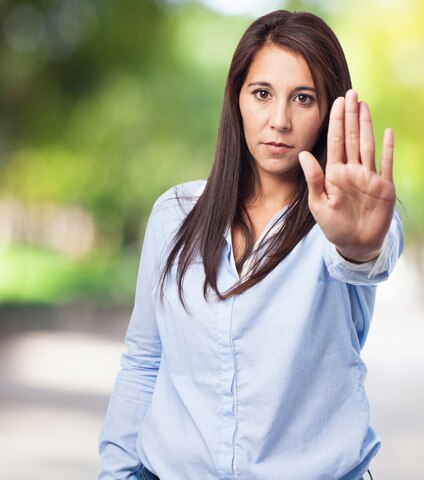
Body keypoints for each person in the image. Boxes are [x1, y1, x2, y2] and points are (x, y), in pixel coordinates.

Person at [98, 9, 403, 480]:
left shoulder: (348, 219)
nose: (279, 120)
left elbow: (367, 256)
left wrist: (359, 246)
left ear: (328, 111)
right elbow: (143, 362)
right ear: (236, 99)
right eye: (262, 93)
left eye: (303, 98)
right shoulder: (174, 215)